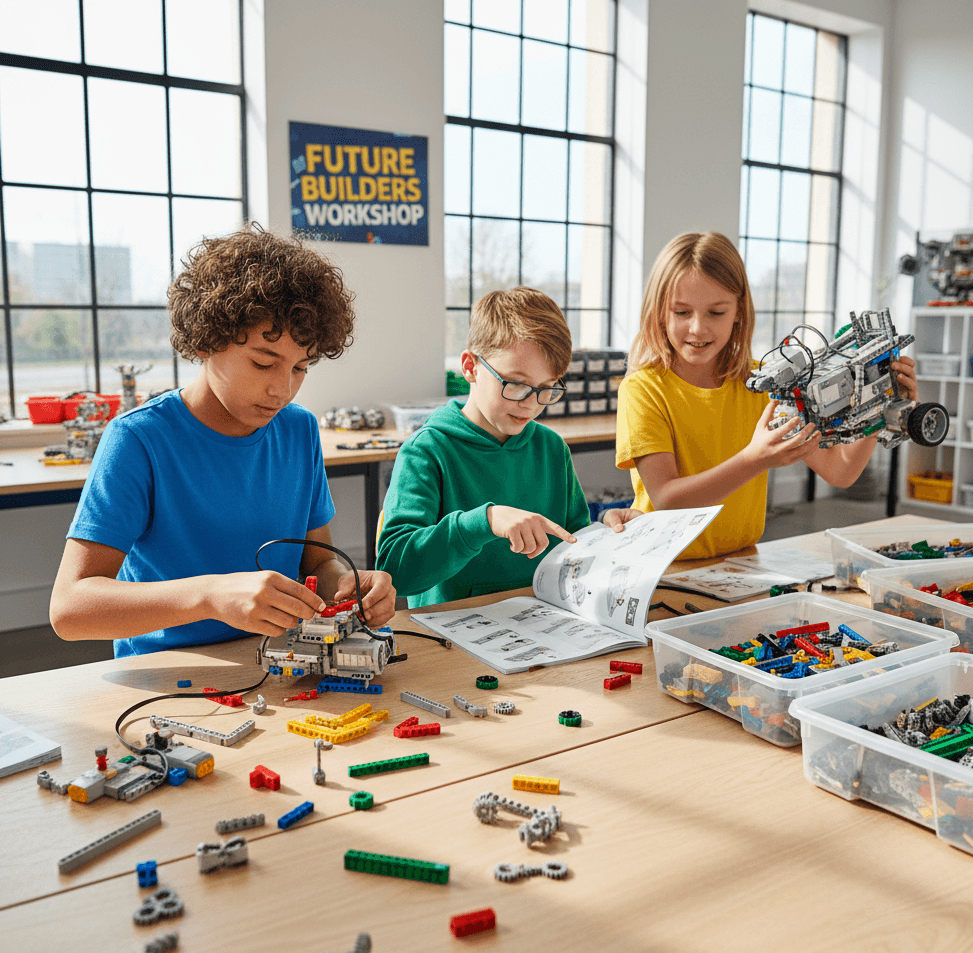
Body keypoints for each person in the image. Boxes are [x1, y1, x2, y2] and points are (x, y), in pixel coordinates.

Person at [50, 226, 396, 656]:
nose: (282, 391)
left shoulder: (299, 430)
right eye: (263, 363)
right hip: (168, 673)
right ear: (208, 340)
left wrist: (345, 584)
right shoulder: (139, 439)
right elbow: (69, 609)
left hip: (277, 663)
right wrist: (210, 596)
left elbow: (316, 562)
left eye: (300, 368)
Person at [615, 231, 918, 560]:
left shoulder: (767, 382)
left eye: (716, 312)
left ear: (738, 311)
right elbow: (667, 499)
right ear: (660, 312)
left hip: (741, 563)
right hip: (663, 567)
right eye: (681, 312)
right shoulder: (643, 389)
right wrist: (754, 460)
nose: (698, 328)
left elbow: (840, 471)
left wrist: (879, 404)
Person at [377, 286, 641, 608]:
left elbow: (574, 543)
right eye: (516, 384)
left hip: (541, 625)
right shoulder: (427, 451)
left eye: (546, 389)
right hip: (452, 634)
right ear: (471, 367)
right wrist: (484, 521)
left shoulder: (551, 449)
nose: (530, 405)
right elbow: (395, 571)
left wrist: (607, 534)